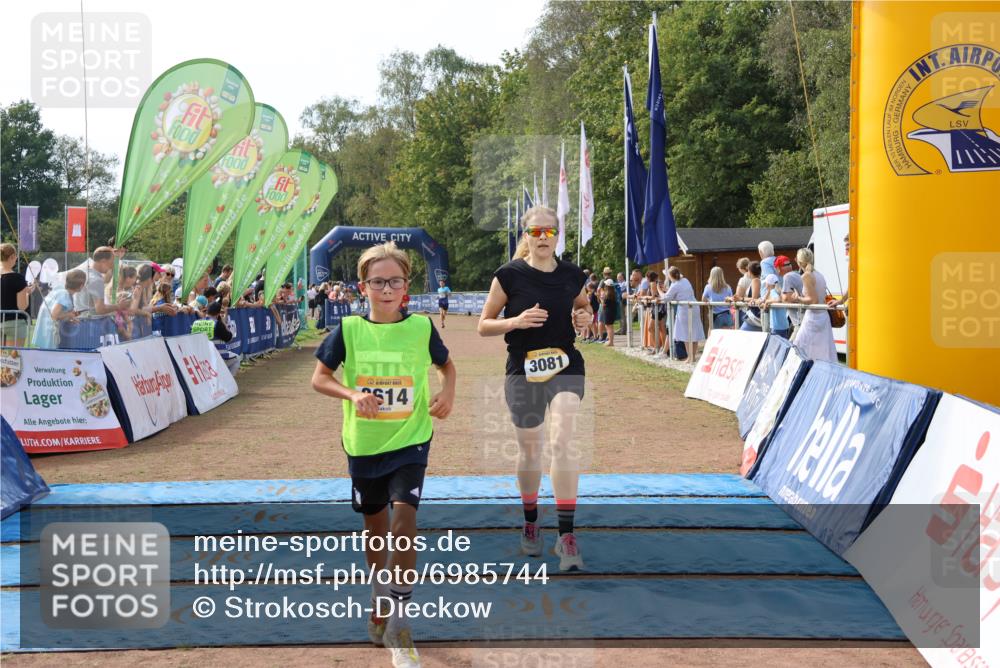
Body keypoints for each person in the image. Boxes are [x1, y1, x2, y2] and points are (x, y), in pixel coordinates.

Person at [311, 241, 455, 667]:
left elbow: (446, 366)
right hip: (364, 444)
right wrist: (352, 393)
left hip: (411, 440)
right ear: (364, 287)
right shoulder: (348, 330)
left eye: (395, 281)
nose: (387, 289)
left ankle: (400, 623)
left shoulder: (422, 328)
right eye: (378, 282)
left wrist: (448, 391)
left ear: (406, 286)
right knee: (375, 529)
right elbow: (320, 378)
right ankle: (379, 599)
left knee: (404, 520)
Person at [478, 206, 592, 572]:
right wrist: (516, 321)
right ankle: (531, 520)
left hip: (565, 365)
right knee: (530, 452)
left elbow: (584, 308)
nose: (543, 237)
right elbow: (484, 324)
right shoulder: (509, 275)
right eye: (535, 231)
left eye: (549, 231)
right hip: (523, 369)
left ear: (558, 235)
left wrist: (584, 317)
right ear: (525, 235)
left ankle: (566, 535)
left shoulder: (573, 274)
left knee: (562, 439)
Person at [792, 247, 837, 362]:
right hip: (823, 316)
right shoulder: (819, 274)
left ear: (799, 262)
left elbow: (813, 300)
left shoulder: (806, 276)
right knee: (824, 352)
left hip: (813, 317)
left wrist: (798, 298)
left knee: (800, 348)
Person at [31, 269, 86, 349]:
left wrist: (69, 318)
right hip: (50, 333)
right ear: (81, 286)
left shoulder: (59, 289)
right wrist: (70, 315)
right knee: (51, 355)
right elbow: (54, 315)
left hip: (43, 331)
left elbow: (57, 313)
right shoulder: (64, 295)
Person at [662, 267, 705, 363]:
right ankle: (692, 356)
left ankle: (690, 357)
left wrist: (660, 290)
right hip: (694, 307)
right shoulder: (685, 280)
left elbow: (665, 298)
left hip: (684, 310)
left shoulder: (675, 285)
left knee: (685, 333)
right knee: (694, 332)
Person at [75, 247, 130, 318]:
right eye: (111, 263)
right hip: (92, 321)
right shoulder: (96, 280)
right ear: (103, 261)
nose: (112, 266)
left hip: (82, 319)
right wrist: (119, 306)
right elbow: (100, 309)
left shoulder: (85, 273)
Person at [192, 301, 241, 376]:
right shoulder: (217, 324)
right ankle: (228, 380)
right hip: (218, 358)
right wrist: (223, 322)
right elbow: (229, 338)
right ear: (218, 313)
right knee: (237, 358)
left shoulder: (196, 323)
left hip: (200, 358)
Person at [0, 243, 32, 346]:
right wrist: (27, 294)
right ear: (12, 257)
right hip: (14, 323)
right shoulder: (18, 278)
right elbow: (22, 306)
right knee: (15, 356)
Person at [777, 255, 803, 335]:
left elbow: (787, 299)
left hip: (799, 321)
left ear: (778, 268)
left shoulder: (787, 276)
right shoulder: (796, 274)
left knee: (792, 343)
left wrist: (780, 292)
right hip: (801, 319)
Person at [761, 274, 791, 339]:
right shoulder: (778, 291)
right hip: (783, 325)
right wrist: (768, 293)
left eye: (766, 283)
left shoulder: (773, 291)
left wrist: (767, 302)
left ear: (768, 284)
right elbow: (763, 300)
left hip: (777, 326)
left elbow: (778, 299)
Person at [739, 262, 763, 332]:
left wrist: (741, 298)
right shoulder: (757, 280)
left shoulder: (755, 280)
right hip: (756, 316)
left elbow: (754, 299)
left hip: (754, 317)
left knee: (742, 333)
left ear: (749, 271)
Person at [732, 257, 752, 327]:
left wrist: (729, 298)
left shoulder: (743, 280)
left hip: (744, 310)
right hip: (754, 310)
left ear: (741, 268)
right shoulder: (756, 278)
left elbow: (737, 296)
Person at [600, 279, 618, 346]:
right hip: (611, 311)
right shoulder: (613, 292)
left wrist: (601, 299)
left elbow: (604, 304)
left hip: (608, 311)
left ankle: (611, 342)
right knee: (610, 326)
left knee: (608, 326)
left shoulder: (608, 294)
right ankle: (610, 341)